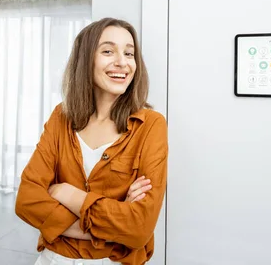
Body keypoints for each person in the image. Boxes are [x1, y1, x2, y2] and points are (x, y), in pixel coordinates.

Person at [15, 17, 168, 265]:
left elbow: (139, 227)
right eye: (108, 51)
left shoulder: (151, 125)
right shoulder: (61, 117)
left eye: (129, 54)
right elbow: (26, 200)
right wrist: (113, 225)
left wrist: (67, 193)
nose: (122, 62)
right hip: (54, 259)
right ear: (85, 60)